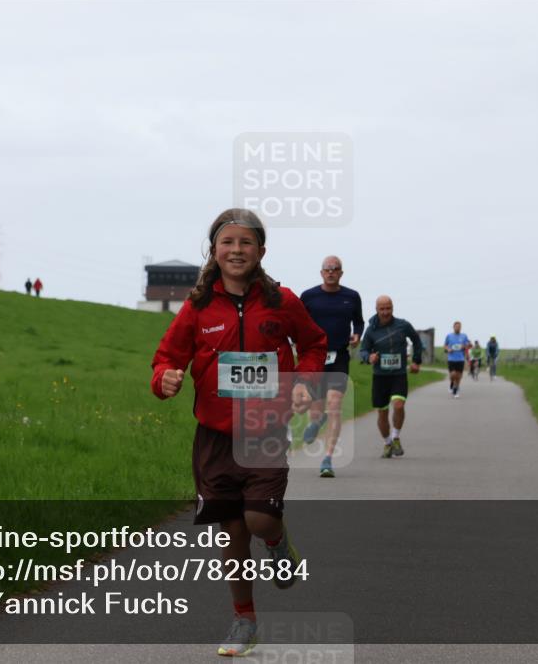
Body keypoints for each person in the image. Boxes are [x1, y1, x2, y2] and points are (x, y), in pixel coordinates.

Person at [150, 209, 327, 657]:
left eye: (246, 243)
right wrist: (165, 379)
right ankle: (243, 621)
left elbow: (313, 345)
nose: (236, 250)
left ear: (261, 251)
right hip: (214, 436)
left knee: (259, 519)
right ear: (214, 250)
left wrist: (305, 382)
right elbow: (166, 357)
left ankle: (278, 540)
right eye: (227, 242)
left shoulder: (283, 301)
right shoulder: (197, 307)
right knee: (232, 532)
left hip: (264, 430)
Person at [299, 255, 364, 478]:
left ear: (341, 273)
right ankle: (317, 422)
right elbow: (298, 321)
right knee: (315, 410)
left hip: (339, 357)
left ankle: (327, 458)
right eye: (327, 269)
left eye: (335, 269)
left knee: (335, 404)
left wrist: (357, 334)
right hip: (315, 357)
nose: (331, 272)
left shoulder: (351, 296)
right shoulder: (308, 296)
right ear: (321, 272)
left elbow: (359, 321)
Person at [359, 296, 422, 458]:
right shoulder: (371, 330)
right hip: (380, 376)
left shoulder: (402, 325)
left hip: (398, 374)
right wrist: (369, 357)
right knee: (382, 413)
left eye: (388, 308)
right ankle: (387, 442)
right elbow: (363, 350)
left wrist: (416, 361)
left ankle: (395, 437)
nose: (386, 312)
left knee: (399, 405)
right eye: (382, 309)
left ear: (393, 308)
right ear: (376, 309)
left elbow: (416, 340)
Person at [444, 321, 470, 398]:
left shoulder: (464, 336)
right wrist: (448, 349)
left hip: (460, 358)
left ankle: (456, 389)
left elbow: (467, 345)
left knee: (459, 376)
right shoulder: (449, 336)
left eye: (459, 327)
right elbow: (445, 345)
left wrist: (464, 346)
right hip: (451, 358)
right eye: (456, 326)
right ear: (453, 327)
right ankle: (452, 383)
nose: (458, 328)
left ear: (460, 328)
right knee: (452, 374)